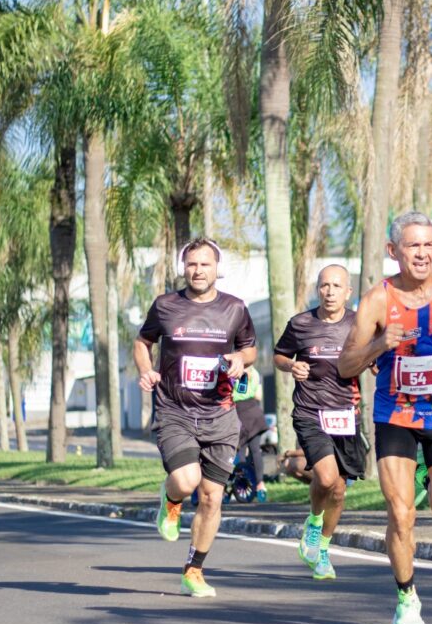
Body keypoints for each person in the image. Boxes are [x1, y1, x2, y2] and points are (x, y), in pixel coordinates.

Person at [339, 212, 432, 624]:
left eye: (428, 245)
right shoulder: (377, 300)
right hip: (395, 415)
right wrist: (381, 343)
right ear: (393, 251)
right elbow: (347, 364)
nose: (422, 253)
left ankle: (426, 476)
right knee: (401, 516)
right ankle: (406, 598)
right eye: (413, 246)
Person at [134, 237, 257, 598]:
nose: (197, 270)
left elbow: (249, 347)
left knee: (211, 499)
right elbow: (143, 342)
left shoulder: (235, 308)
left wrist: (240, 360)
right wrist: (146, 370)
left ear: (217, 269)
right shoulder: (166, 305)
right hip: (176, 410)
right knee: (187, 481)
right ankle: (170, 501)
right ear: (183, 267)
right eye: (191, 264)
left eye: (205, 264)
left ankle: (193, 571)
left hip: (220, 414)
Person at [275, 264, 366, 581]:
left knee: (340, 491)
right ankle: (313, 523)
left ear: (348, 292)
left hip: (345, 415)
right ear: (318, 289)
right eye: (325, 285)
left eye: (337, 286)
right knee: (326, 479)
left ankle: (323, 549)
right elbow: (279, 356)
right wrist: (292, 366)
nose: (330, 292)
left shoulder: (360, 324)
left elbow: (375, 357)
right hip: (310, 411)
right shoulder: (301, 323)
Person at [232, 365, 269, 502]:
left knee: (240, 449)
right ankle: (260, 484)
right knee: (256, 451)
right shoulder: (255, 372)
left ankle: (242, 481)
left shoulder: (234, 370)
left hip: (239, 411)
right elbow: (258, 396)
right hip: (254, 411)